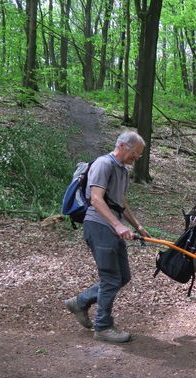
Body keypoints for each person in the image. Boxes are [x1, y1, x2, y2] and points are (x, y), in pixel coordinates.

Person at [64, 131, 150, 343]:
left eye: (139, 155)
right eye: (135, 153)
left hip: (112, 227)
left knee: (122, 277)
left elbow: (120, 202)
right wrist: (118, 225)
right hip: (99, 225)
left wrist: (137, 226)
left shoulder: (121, 170)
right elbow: (96, 199)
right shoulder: (104, 164)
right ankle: (103, 327)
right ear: (122, 145)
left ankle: (80, 302)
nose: (136, 158)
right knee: (111, 278)